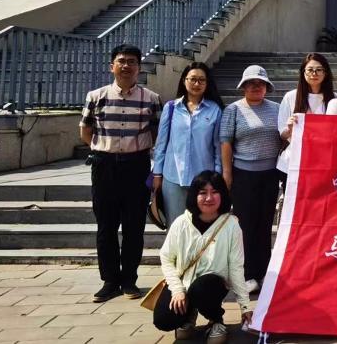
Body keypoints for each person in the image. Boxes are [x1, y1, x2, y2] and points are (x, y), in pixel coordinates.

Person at [80, 43, 162, 303]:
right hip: (104, 166)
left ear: (139, 67)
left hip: (136, 166)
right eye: (122, 61)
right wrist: (104, 150)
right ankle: (109, 281)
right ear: (112, 66)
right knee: (106, 226)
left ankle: (129, 280)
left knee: (134, 226)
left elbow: (156, 133)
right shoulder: (96, 96)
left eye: (132, 62)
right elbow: (85, 131)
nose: (126, 66)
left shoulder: (151, 99)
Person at [154, 171, 251, 343]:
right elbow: (166, 258)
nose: (209, 198)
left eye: (215, 192)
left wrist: (245, 306)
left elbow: (236, 267)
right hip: (184, 283)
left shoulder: (231, 225)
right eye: (203, 193)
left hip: (212, 285)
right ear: (194, 195)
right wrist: (177, 290)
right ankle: (189, 314)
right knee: (164, 319)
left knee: (202, 288)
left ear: (223, 195)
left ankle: (216, 319)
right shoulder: (181, 223)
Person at [220, 65, 282, 294]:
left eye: (260, 83)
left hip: (270, 175)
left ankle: (263, 272)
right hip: (243, 175)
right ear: (243, 86)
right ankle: (247, 274)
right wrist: (227, 173)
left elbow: (284, 137)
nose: (256, 87)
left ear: (267, 87)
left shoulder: (277, 109)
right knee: (245, 225)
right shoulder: (233, 110)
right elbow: (225, 142)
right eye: (251, 83)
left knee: (264, 224)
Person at [152, 62, 224, 226]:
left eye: (201, 80)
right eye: (193, 79)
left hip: (204, 180)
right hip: (173, 178)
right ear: (184, 80)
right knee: (175, 227)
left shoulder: (215, 110)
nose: (197, 84)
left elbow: (218, 148)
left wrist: (217, 177)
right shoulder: (171, 108)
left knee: (202, 227)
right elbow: (161, 144)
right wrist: (157, 175)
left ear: (207, 83)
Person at [277, 53, 337, 172]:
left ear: (325, 73)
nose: (314, 73)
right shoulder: (291, 97)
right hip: (294, 160)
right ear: (303, 72)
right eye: (310, 70)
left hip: (324, 161)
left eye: (319, 69)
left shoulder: (335, 99)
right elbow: (282, 134)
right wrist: (289, 129)